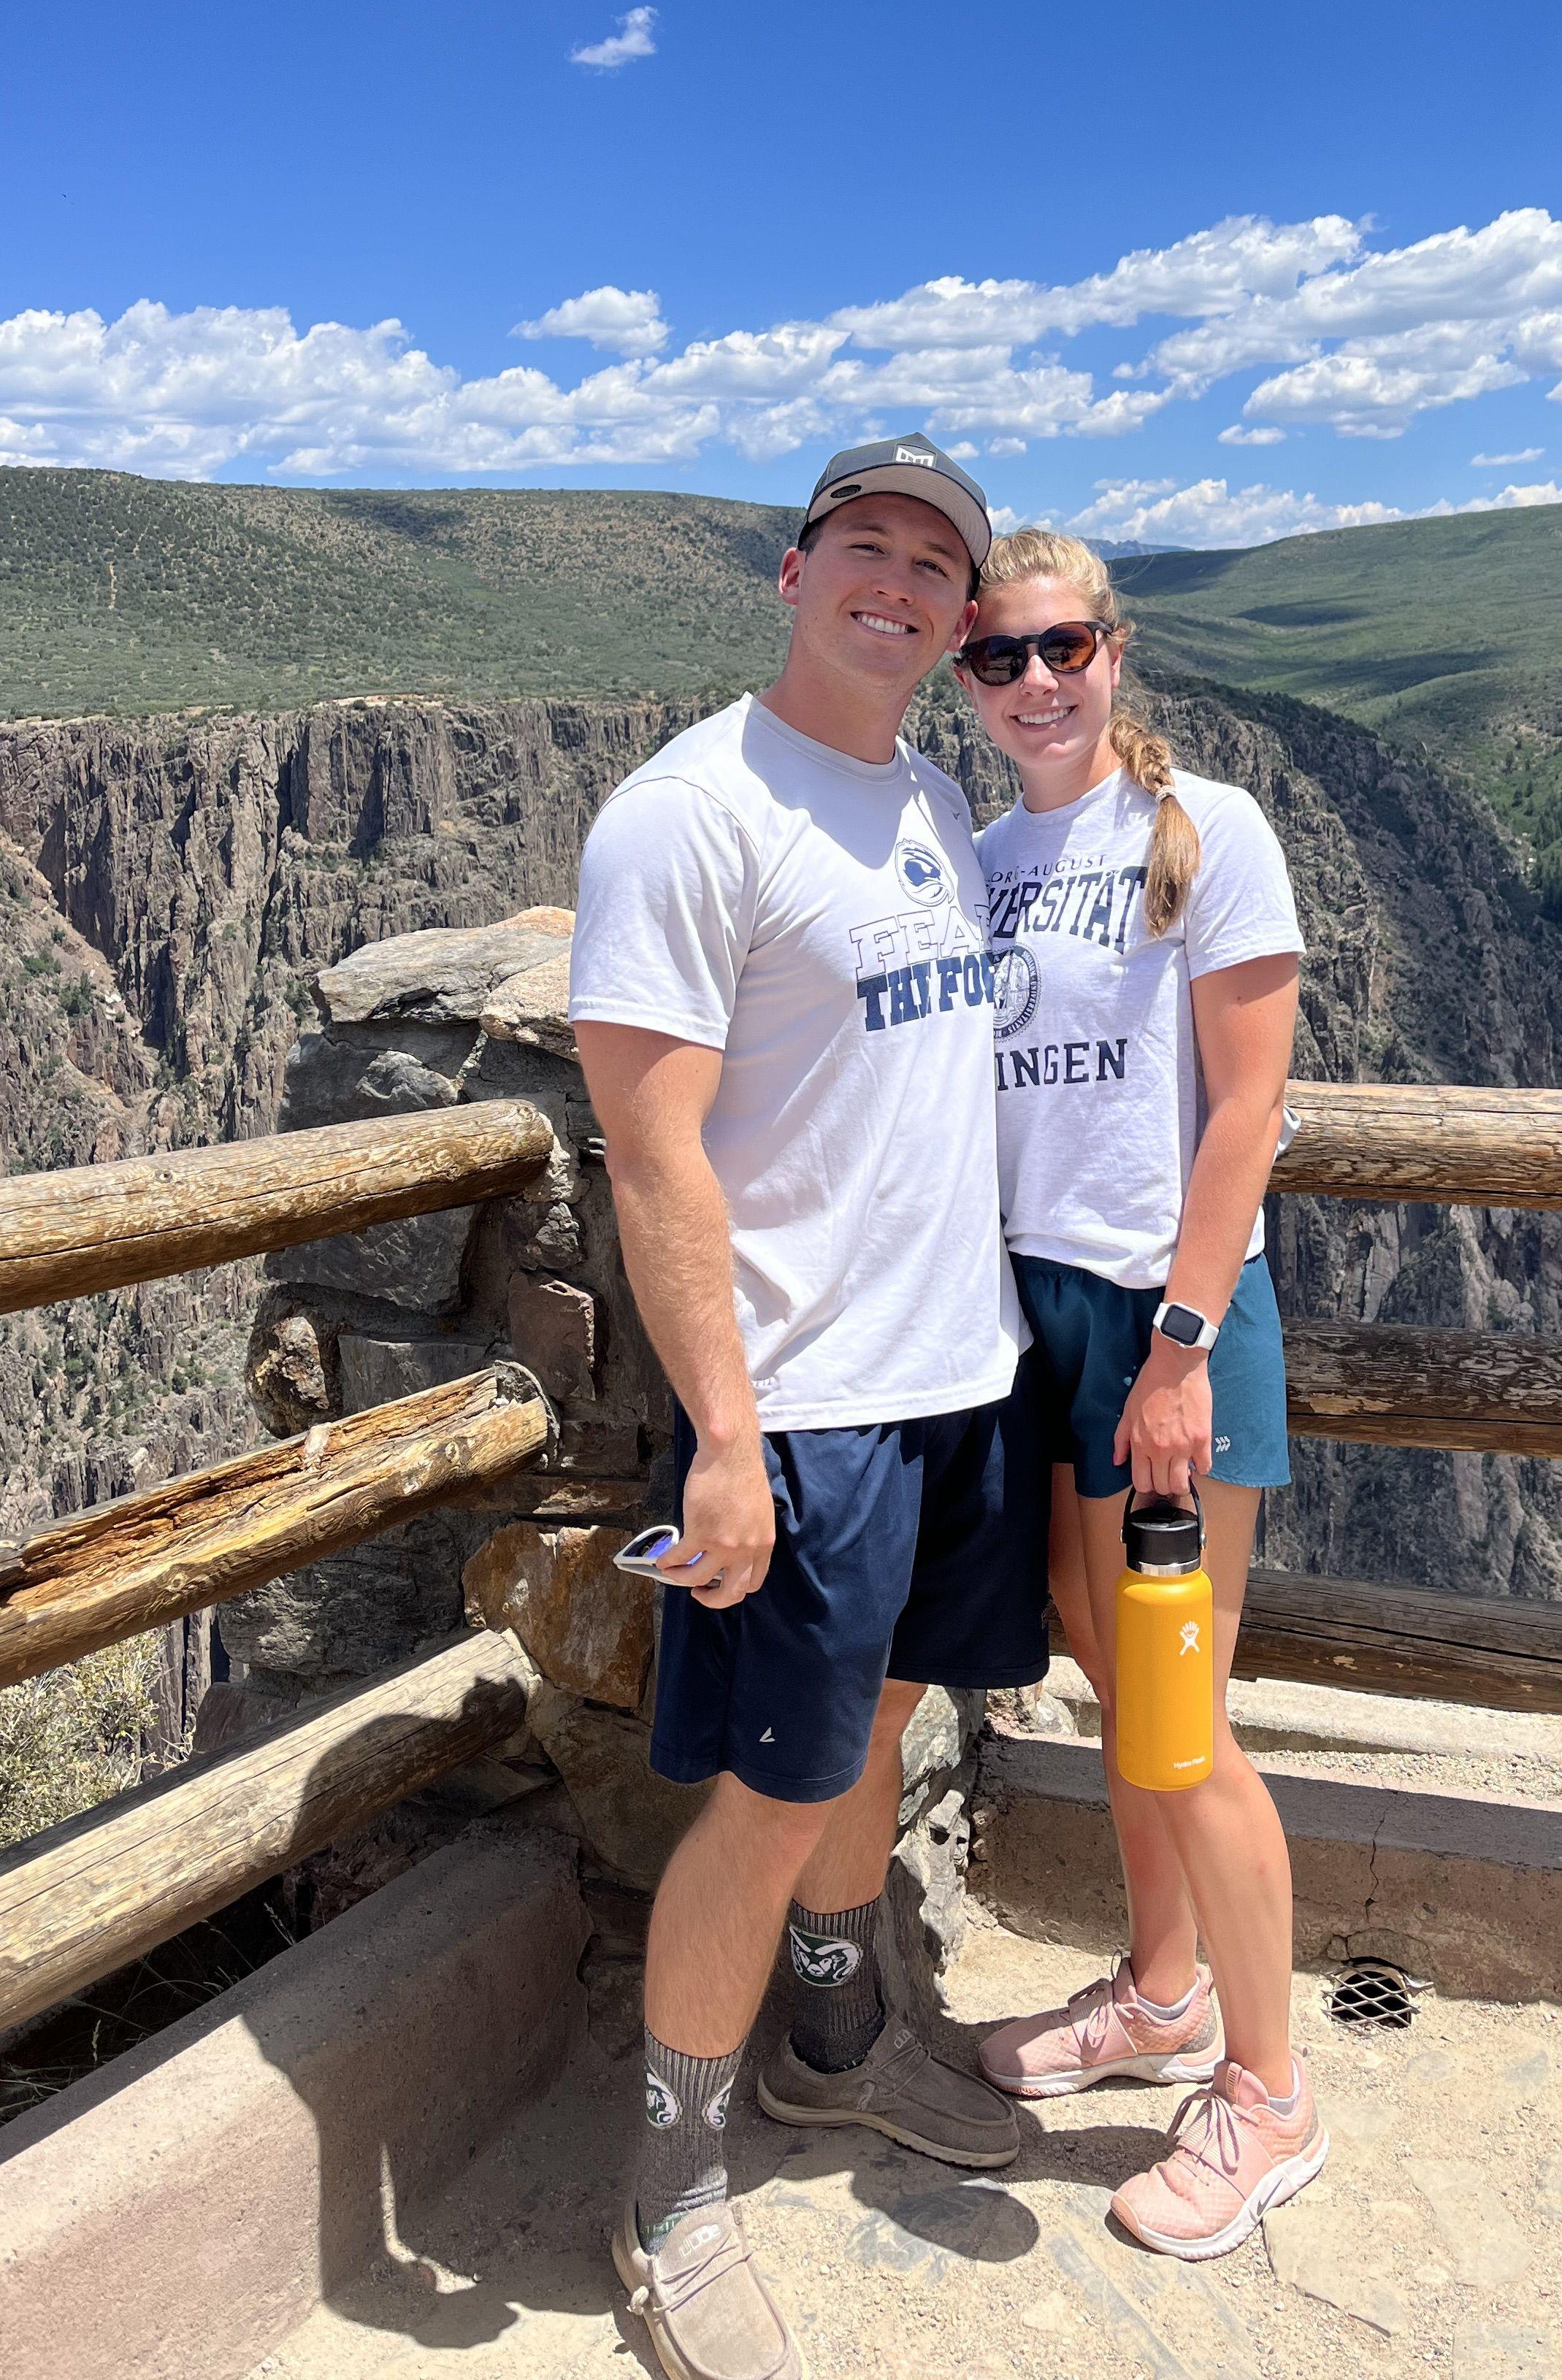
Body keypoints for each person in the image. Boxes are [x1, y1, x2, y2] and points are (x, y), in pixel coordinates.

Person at [567, 436, 1046, 2380]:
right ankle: (669, 2179)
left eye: (941, 567)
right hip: (809, 1409)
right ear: (793, 572)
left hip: (957, 1380)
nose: (904, 586)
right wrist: (733, 1441)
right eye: (871, 547)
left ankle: (838, 2042)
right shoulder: (688, 816)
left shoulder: (925, 793)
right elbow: (646, 1145)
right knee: (769, 1797)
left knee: (880, 1728)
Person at [954, 526, 1321, 2260]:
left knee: (1179, 1720)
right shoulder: (975, 854)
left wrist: (1178, 1352)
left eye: (1062, 648)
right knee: (1112, 1679)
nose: (1035, 682)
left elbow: (1243, 1113)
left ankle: (1270, 2095)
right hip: (1037, 1321)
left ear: (1115, 649)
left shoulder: (1205, 833)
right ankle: (1163, 1992)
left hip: (1167, 1325)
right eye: (998, 657)